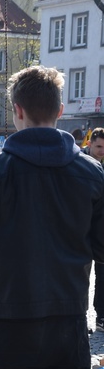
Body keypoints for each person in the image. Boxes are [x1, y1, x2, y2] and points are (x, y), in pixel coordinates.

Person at [0, 66, 104, 369]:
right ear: (60, 111)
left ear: (17, 110)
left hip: (12, 315)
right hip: (69, 316)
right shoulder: (91, 171)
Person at [89, 128, 104, 332]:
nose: (102, 151)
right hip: (82, 225)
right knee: (79, 275)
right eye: (99, 146)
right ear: (90, 144)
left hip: (100, 226)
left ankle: (101, 315)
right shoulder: (79, 162)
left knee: (102, 273)